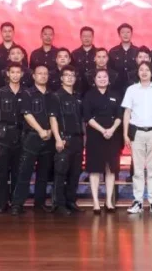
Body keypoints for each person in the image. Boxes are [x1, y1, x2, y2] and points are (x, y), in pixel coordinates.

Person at [122, 61, 152, 215]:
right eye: (141, 70)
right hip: (136, 132)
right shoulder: (131, 90)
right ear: (138, 73)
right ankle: (137, 201)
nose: (144, 72)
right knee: (137, 169)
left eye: (147, 70)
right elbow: (127, 113)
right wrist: (125, 134)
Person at [11, 65, 57, 215]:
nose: (43, 76)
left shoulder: (52, 95)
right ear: (34, 76)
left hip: (49, 137)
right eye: (40, 74)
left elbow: (54, 116)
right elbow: (27, 114)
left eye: (45, 74)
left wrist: (50, 131)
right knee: (24, 172)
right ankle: (17, 204)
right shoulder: (27, 93)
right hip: (32, 137)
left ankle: (40, 203)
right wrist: (40, 130)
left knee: (43, 173)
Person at [83, 68, 123, 214]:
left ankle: (108, 201)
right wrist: (102, 130)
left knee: (110, 169)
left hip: (113, 135)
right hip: (95, 135)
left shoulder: (115, 95)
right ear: (94, 80)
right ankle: (96, 203)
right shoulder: (89, 95)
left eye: (104, 76)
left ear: (109, 79)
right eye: (99, 77)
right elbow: (87, 117)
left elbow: (120, 115)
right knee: (94, 169)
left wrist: (111, 130)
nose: (102, 79)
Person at [49, 66, 86, 215]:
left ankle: (71, 201)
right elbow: (53, 119)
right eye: (67, 75)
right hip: (64, 139)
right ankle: (59, 204)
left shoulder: (78, 96)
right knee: (60, 172)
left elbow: (82, 119)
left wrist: (84, 138)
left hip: (78, 139)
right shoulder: (56, 96)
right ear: (61, 78)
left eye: (72, 75)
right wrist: (58, 138)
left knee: (75, 173)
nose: (70, 78)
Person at [0, 62, 26, 213]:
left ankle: (16, 203)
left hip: (21, 135)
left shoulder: (26, 92)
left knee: (18, 171)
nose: (15, 75)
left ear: (22, 74)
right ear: (8, 74)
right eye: (13, 72)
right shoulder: (0, 92)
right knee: (3, 171)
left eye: (18, 72)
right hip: (3, 135)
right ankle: (1, 203)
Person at [108, 23, 139, 94]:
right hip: (116, 87)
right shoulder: (113, 51)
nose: (125, 34)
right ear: (119, 34)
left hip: (134, 86)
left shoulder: (137, 51)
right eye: (123, 32)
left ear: (131, 34)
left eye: (128, 32)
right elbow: (109, 69)